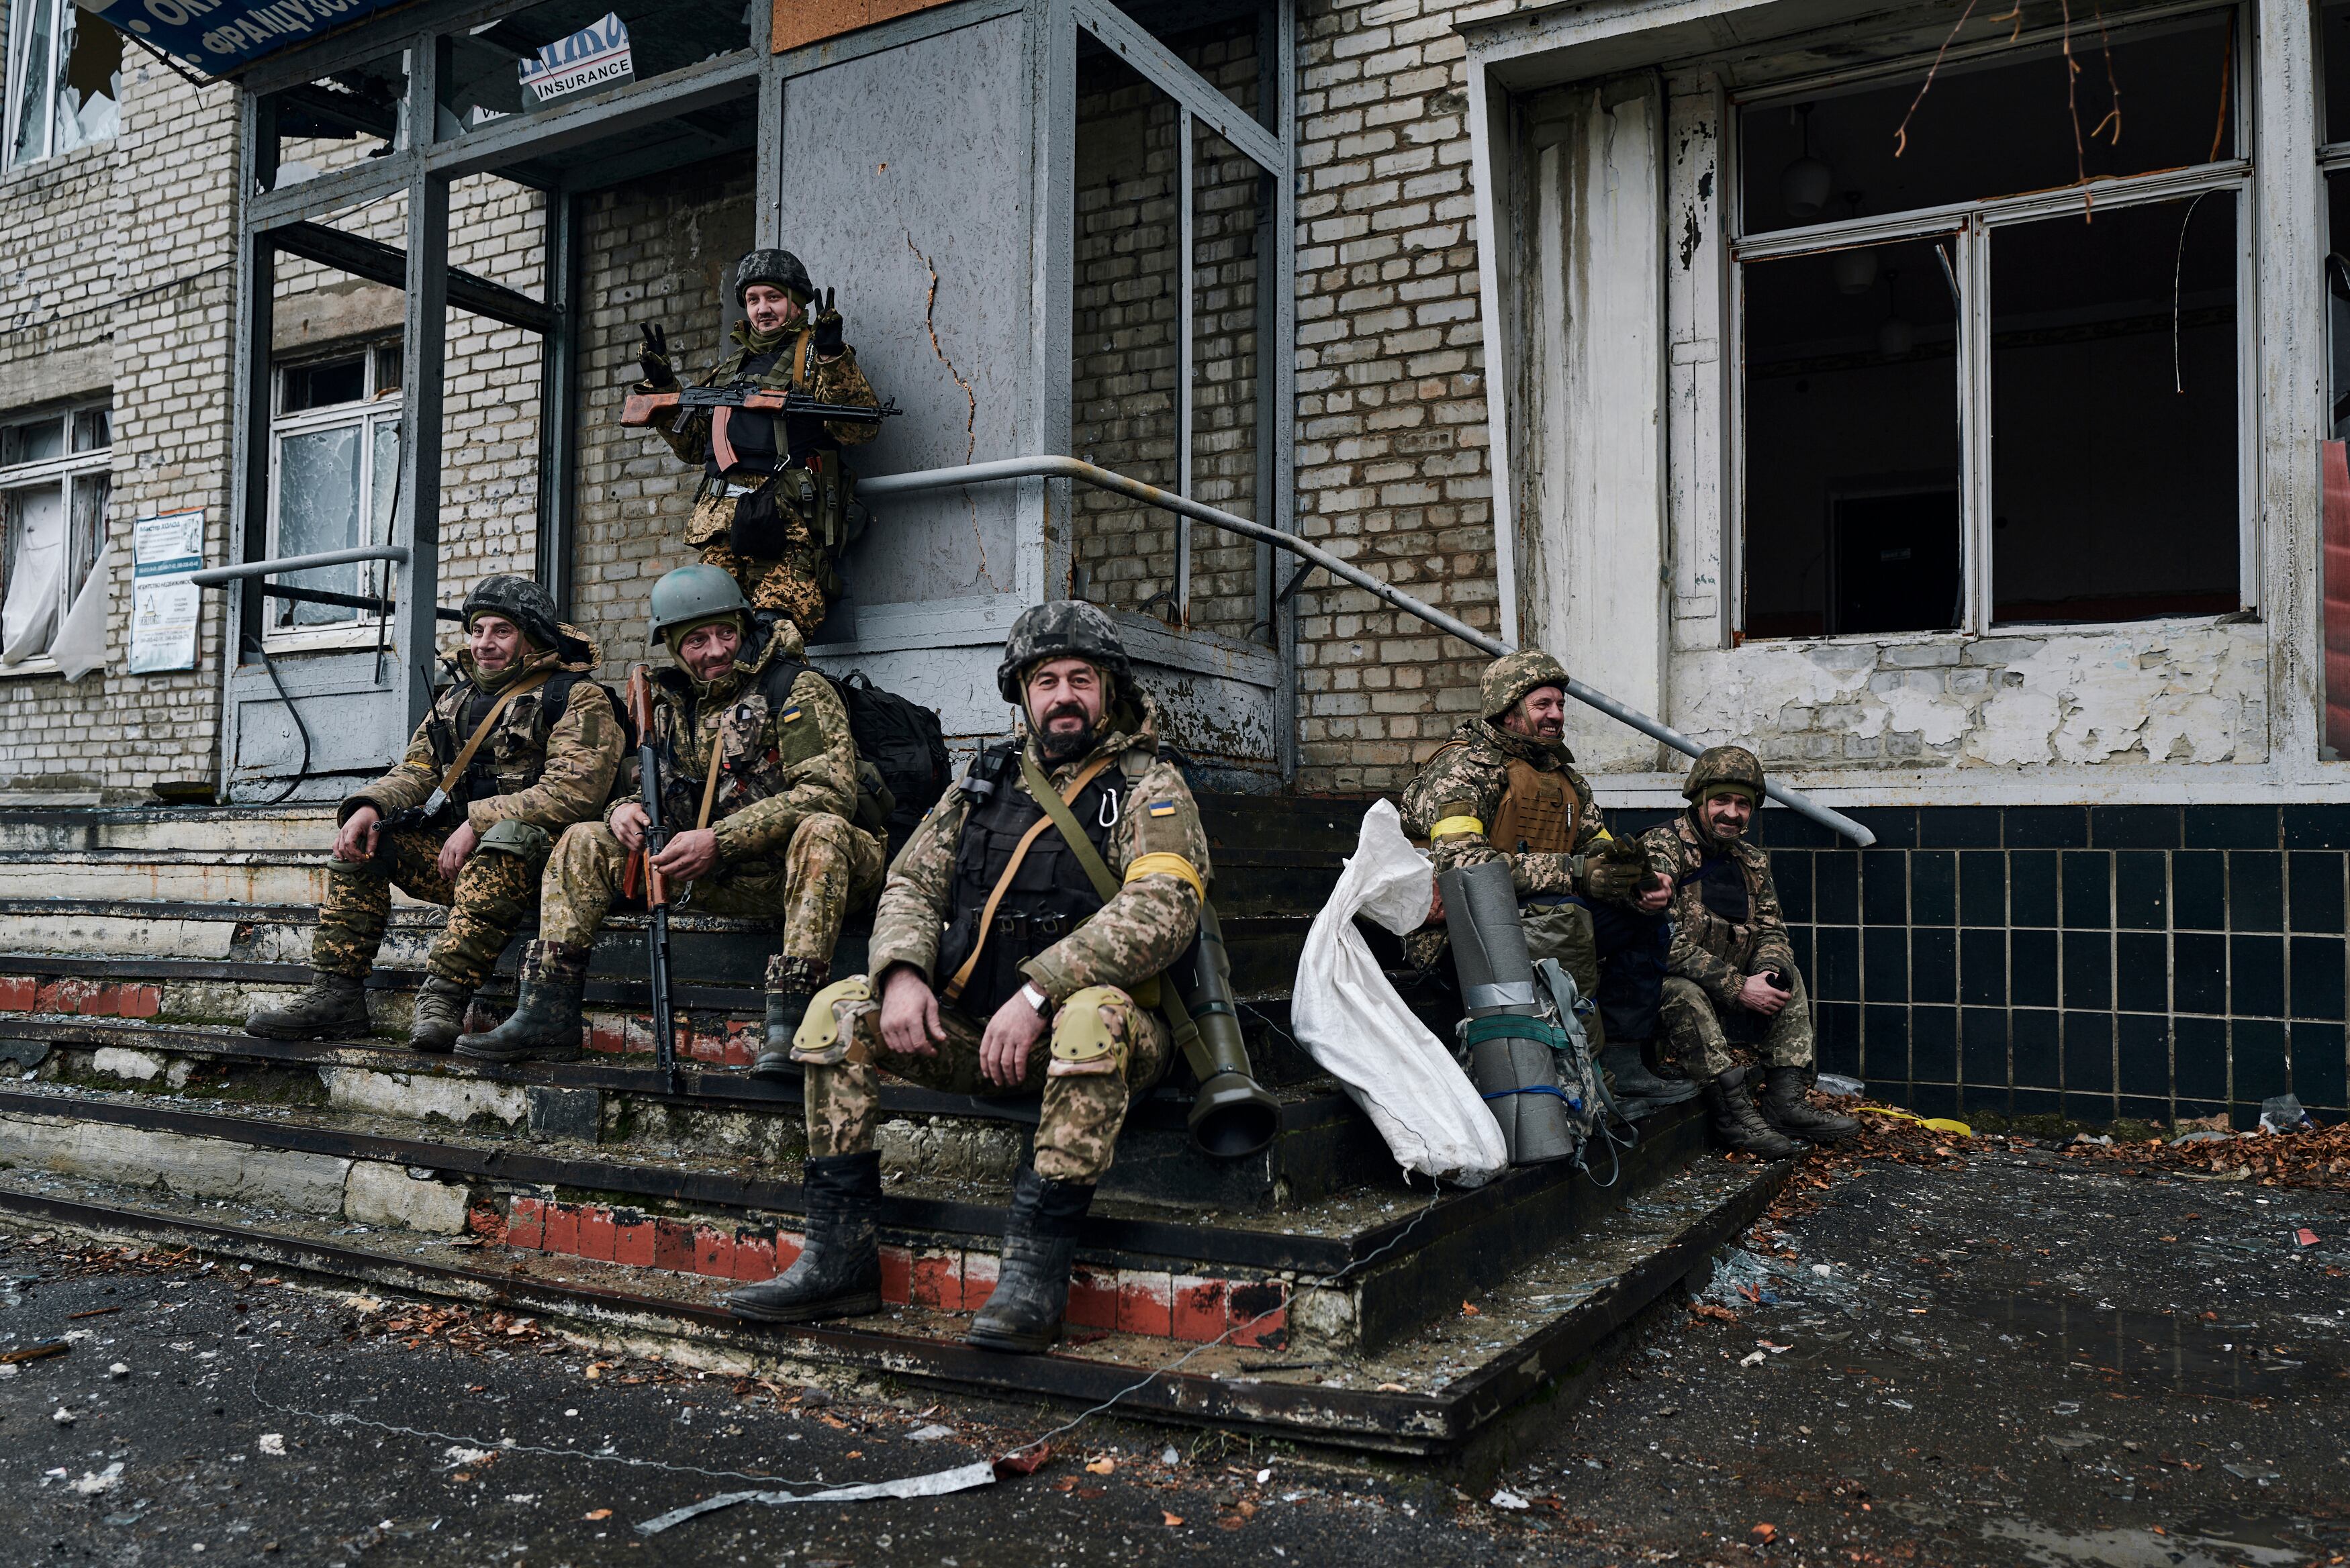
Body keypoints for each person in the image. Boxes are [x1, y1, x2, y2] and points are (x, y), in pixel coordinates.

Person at [718, 601, 1208, 1354]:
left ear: (1109, 689)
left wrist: (1040, 990)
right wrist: (905, 972)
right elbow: (911, 883)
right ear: (1022, 692)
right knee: (836, 1011)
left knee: (1090, 1016)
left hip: (1101, 1035)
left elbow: (1163, 905)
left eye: (1082, 677)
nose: (1064, 694)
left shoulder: (1150, 786)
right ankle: (838, 1256)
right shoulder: (982, 780)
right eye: (1046, 679)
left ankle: (1032, 1276)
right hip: (977, 1031)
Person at [455, 565, 886, 1071]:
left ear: (744, 629)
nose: (717, 651)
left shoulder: (798, 690)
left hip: (811, 874)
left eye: (727, 633)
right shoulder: (667, 708)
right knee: (585, 839)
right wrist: (623, 812)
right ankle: (548, 1012)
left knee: (823, 831)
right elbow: (636, 789)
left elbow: (828, 795)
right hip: (714, 876)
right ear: (674, 647)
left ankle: (791, 1020)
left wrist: (719, 840)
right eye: (697, 641)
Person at [244, 577, 622, 1051]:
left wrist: (478, 821)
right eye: (478, 629)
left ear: (533, 638)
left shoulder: (577, 698)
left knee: (507, 839)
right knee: (366, 842)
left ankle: (444, 998)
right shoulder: (456, 700)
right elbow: (418, 771)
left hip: (544, 869)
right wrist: (368, 807)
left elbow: (574, 793)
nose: (484, 644)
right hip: (464, 860)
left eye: (501, 631)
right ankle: (336, 996)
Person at [1400, 650, 1673, 1052]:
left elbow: (1597, 848)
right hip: (1459, 933)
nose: (1557, 714)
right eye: (1542, 704)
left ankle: (1625, 1055)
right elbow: (1465, 868)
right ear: (1507, 711)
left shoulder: (1565, 779)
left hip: (1546, 912)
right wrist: (1578, 872)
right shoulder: (1461, 769)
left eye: (1560, 704)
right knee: (1563, 917)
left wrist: (1636, 880)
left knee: (1646, 920)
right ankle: (1578, 1066)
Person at [632, 248, 880, 641]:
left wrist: (834, 357)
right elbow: (695, 448)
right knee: (712, 630)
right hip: (720, 523)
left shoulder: (813, 359)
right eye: (753, 300)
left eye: (773, 298)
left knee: (773, 634)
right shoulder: (730, 368)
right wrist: (664, 389)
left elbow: (858, 430)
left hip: (786, 519)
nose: (763, 309)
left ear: (797, 304)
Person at [1638, 746, 1858, 1155]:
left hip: (1723, 982)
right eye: (1721, 800)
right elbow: (1659, 942)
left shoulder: (1751, 860)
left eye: (1743, 804)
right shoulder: (1662, 849)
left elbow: (1772, 929)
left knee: (1787, 973)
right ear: (1699, 800)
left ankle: (1784, 1101)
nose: (1733, 813)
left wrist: (1769, 970)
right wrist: (1738, 986)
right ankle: (1733, 1115)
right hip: (1655, 989)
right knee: (1684, 993)